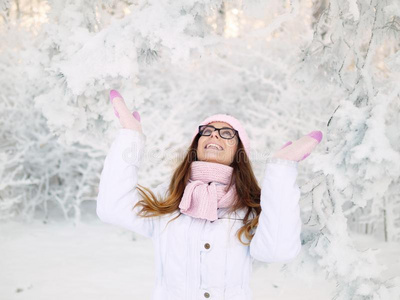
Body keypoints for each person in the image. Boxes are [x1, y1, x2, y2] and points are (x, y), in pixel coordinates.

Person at [96, 90, 322, 300]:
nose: (214, 136)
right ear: (196, 144)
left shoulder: (248, 207)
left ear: (238, 151)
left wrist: (280, 169)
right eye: (207, 131)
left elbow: (277, 250)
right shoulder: (171, 199)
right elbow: (112, 207)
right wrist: (131, 136)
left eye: (226, 133)